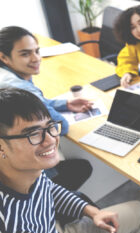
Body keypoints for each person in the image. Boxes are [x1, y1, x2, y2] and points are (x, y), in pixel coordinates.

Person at [0, 87, 140, 233]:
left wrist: (93, 212)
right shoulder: (6, 221)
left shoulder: (31, 171)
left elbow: (49, 190)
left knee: (138, 211)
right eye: (33, 134)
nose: (51, 140)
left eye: (50, 126)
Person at [0, 26, 93, 192]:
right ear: (4, 57)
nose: (36, 58)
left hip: (11, 165)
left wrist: (65, 104)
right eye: (25, 54)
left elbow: (35, 103)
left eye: (37, 51)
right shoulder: (18, 86)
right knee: (83, 167)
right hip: (30, 178)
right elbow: (60, 126)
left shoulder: (9, 75)